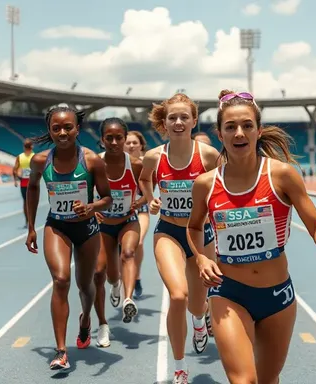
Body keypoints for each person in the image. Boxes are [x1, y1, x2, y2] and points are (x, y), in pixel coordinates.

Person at [187, 90, 316, 384]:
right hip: (228, 292)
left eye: (247, 125)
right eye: (230, 127)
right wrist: (200, 258)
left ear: (259, 131)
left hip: (277, 296)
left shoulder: (282, 176)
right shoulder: (205, 184)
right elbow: (194, 226)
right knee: (243, 381)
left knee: (267, 379)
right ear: (220, 134)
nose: (239, 133)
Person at [138, 93, 220, 383]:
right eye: (172, 117)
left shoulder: (208, 156)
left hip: (201, 235)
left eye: (184, 116)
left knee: (197, 304)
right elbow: (144, 177)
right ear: (165, 122)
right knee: (177, 295)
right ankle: (181, 366)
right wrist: (150, 199)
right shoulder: (153, 156)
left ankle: (200, 321)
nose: (178, 121)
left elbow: (223, 187)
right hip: (168, 232)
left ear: (194, 121)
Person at [24, 104, 113, 370]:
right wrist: (31, 227)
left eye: (67, 127)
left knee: (85, 286)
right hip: (58, 225)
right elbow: (32, 188)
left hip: (86, 228)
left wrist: (92, 207)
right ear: (50, 131)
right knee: (61, 279)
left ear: (77, 128)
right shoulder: (41, 160)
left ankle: (86, 318)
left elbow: (108, 198)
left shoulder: (92, 160)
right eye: (56, 128)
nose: (62, 132)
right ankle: (61, 351)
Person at [92, 118, 147, 347]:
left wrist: (138, 203)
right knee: (100, 272)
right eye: (109, 138)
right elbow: (84, 192)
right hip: (104, 225)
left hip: (127, 221)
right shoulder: (94, 164)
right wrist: (91, 208)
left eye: (119, 138)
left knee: (128, 253)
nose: (114, 142)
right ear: (102, 140)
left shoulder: (135, 165)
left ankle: (127, 299)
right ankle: (103, 323)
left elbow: (150, 193)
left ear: (125, 139)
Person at [124, 130, 149, 298]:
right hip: (118, 212)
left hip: (140, 210)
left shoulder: (147, 163)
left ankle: (137, 276)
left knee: (138, 242)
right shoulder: (113, 162)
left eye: (135, 142)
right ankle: (122, 278)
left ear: (141, 145)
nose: (132, 145)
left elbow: (150, 192)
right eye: (128, 142)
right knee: (122, 250)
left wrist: (139, 202)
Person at [13, 139, 35, 228]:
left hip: (24, 183)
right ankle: (31, 221)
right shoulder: (35, 156)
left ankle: (27, 221)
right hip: (33, 182)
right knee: (33, 202)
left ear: (24, 147)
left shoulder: (20, 157)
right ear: (32, 146)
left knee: (26, 202)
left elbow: (15, 169)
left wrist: (16, 179)